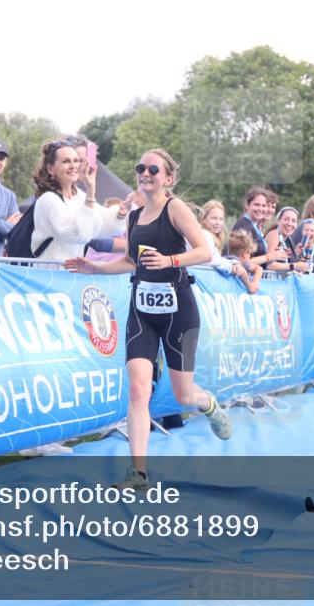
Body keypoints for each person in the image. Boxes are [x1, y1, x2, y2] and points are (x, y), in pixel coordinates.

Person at [66, 148, 231, 491]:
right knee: (139, 389)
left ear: (168, 178)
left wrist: (170, 261)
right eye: (140, 167)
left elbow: (203, 251)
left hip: (178, 312)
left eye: (153, 168)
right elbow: (130, 261)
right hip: (142, 312)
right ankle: (138, 474)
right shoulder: (134, 216)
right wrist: (94, 267)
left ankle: (209, 403)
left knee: (185, 396)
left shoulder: (176, 208)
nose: (145, 172)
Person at [30, 139, 132, 261]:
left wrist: (119, 215)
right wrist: (91, 191)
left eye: (76, 160)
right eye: (66, 161)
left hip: (72, 274)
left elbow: (100, 225)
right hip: (50, 274)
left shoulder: (78, 196)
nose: (73, 166)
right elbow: (77, 234)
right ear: (50, 169)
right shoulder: (48, 199)